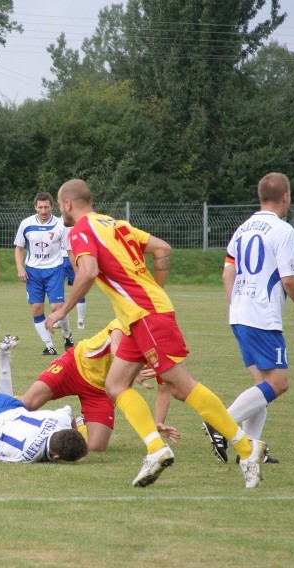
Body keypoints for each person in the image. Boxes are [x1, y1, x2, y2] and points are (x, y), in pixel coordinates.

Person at [47, 179, 267, 489]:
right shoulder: (116, 224)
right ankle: (156, 449)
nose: (61, 210)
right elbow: (162, 248)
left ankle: (247, 448)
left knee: (180, 386)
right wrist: (155, 290)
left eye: (59, 205)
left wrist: (62, 310)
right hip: (138, 317)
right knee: (116, 384)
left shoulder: (82, 229)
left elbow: (89, 271)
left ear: (67, 204)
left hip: (145, 315)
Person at [203, 172, 294, 464]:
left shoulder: (243, 228)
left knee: (260, 389)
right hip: (262, 317)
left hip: (240, 314)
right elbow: (289, 279)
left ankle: (249, 451)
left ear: (260, 196)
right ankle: (220, 423)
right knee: (278, 383)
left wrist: (238, 303)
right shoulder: (282, 230)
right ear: (286, 197)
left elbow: (228, 273)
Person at [0, 315, 88, 463]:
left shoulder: (59, 421)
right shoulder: (25, 455)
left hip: (12, 405)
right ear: (56, 456)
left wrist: (75, 435)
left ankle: (2, 355)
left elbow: (69, 413)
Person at [18, 319, 178, 452]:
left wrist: (157, 423)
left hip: (102, 390)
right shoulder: (127, 322)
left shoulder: (162, 352)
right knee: (28, 403)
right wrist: (132, 371)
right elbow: (116, 347)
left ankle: (74, 421)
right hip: (75, 365)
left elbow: (164, 391)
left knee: (95, 447)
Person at [13, 192, 75, 355]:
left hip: (55, 269)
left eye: (46, 207)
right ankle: (49, 346)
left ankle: (67, 337)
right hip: (33, 272)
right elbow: (18, 248)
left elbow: (69, 250)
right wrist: (20, 268)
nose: (43, 210)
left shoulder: (61, 225)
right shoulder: (26, 224)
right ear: (35, 207)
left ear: (51, 207)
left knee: (57, 307)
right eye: (40, 207)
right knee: (36, 309)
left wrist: (77, 269)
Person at [61, 255, 87, 329]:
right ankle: (59, 320)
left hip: (73, 258)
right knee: (57, 289)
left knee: (79, 288)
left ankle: (80, 320)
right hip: (59, 258)